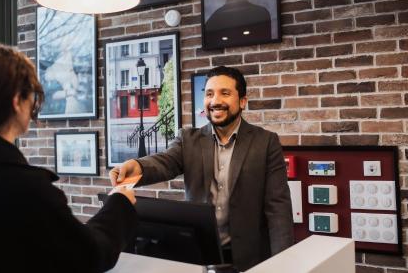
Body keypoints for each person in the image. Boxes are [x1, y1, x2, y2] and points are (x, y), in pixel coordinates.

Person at [0, 42, 137, 273]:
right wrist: (120, 202)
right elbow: (92, 256)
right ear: (17, 100)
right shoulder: (28, 190)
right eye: (33, 97)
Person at [111, 66, 294, 271]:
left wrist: (283, 264)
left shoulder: (266, 142)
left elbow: (278, 209)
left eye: (225, 93)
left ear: (242, 101)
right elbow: (165, 161)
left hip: (249, 258)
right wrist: (137, 166)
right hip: (200, 257)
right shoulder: (188, 140)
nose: (215, 101)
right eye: (209, 94)